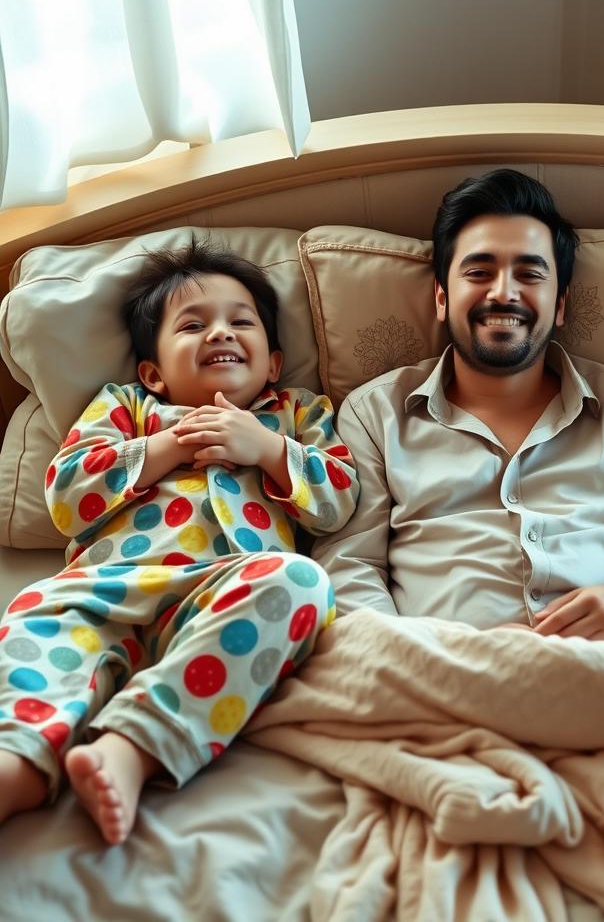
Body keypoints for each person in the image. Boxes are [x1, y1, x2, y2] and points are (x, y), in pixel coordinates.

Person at [0, 240, 358, 844]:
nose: (220, 333)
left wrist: (267, 449)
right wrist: (169, 447)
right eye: (194, 325)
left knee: (300, 584)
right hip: (104, 588)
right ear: (153, 372)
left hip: (223, 593)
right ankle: (19, 762)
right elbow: (65, 497)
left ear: (273, 364)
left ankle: (132, 747)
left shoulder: (295, 413)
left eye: (240, 321)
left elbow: (340, 499)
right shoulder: (126, 407)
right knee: (36, 621)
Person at [315, 168, 604, 637]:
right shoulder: (375, 414)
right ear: (442, 297)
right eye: (479, 272)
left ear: (561, 304)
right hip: (441, 680)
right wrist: (411, 660)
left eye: (529, 273)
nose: (504, 292)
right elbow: (348, 567)